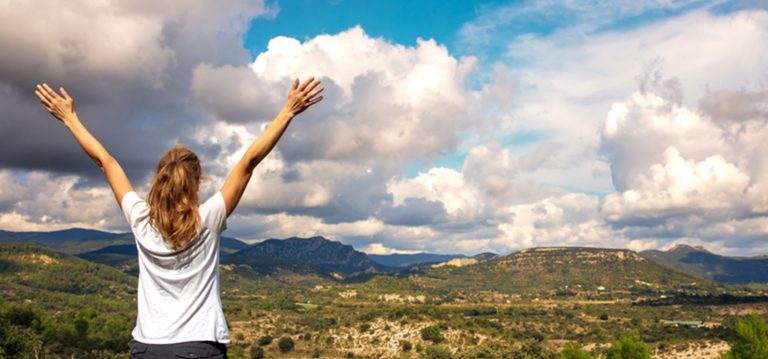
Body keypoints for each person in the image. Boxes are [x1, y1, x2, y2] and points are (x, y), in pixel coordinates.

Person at [34, 78, 324, 358]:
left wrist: (70, 119)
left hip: (148, 348)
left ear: (159, 180)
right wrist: (288, 111)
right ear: (196, 183)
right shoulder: (208, 218)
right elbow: (248, 163)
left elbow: (105, 161)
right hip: (199, 346)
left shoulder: (139, 218)